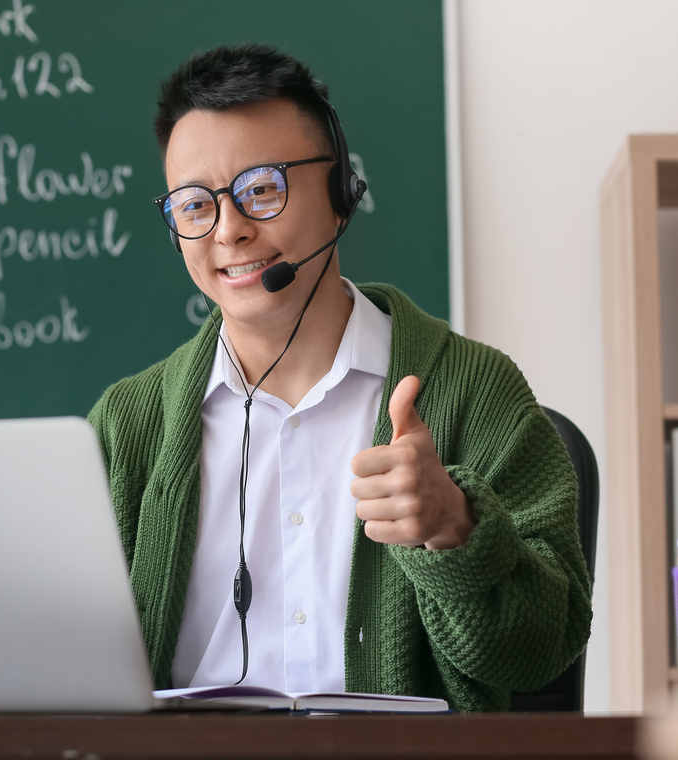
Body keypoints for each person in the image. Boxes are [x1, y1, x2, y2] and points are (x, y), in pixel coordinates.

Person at [88, 44, 591, 712]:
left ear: (340, 195)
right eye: (194, 205)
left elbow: (543, 651)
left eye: (261, 189)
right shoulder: (126, 426)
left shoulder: (477, 392)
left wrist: (456, 531)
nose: (229, 231)